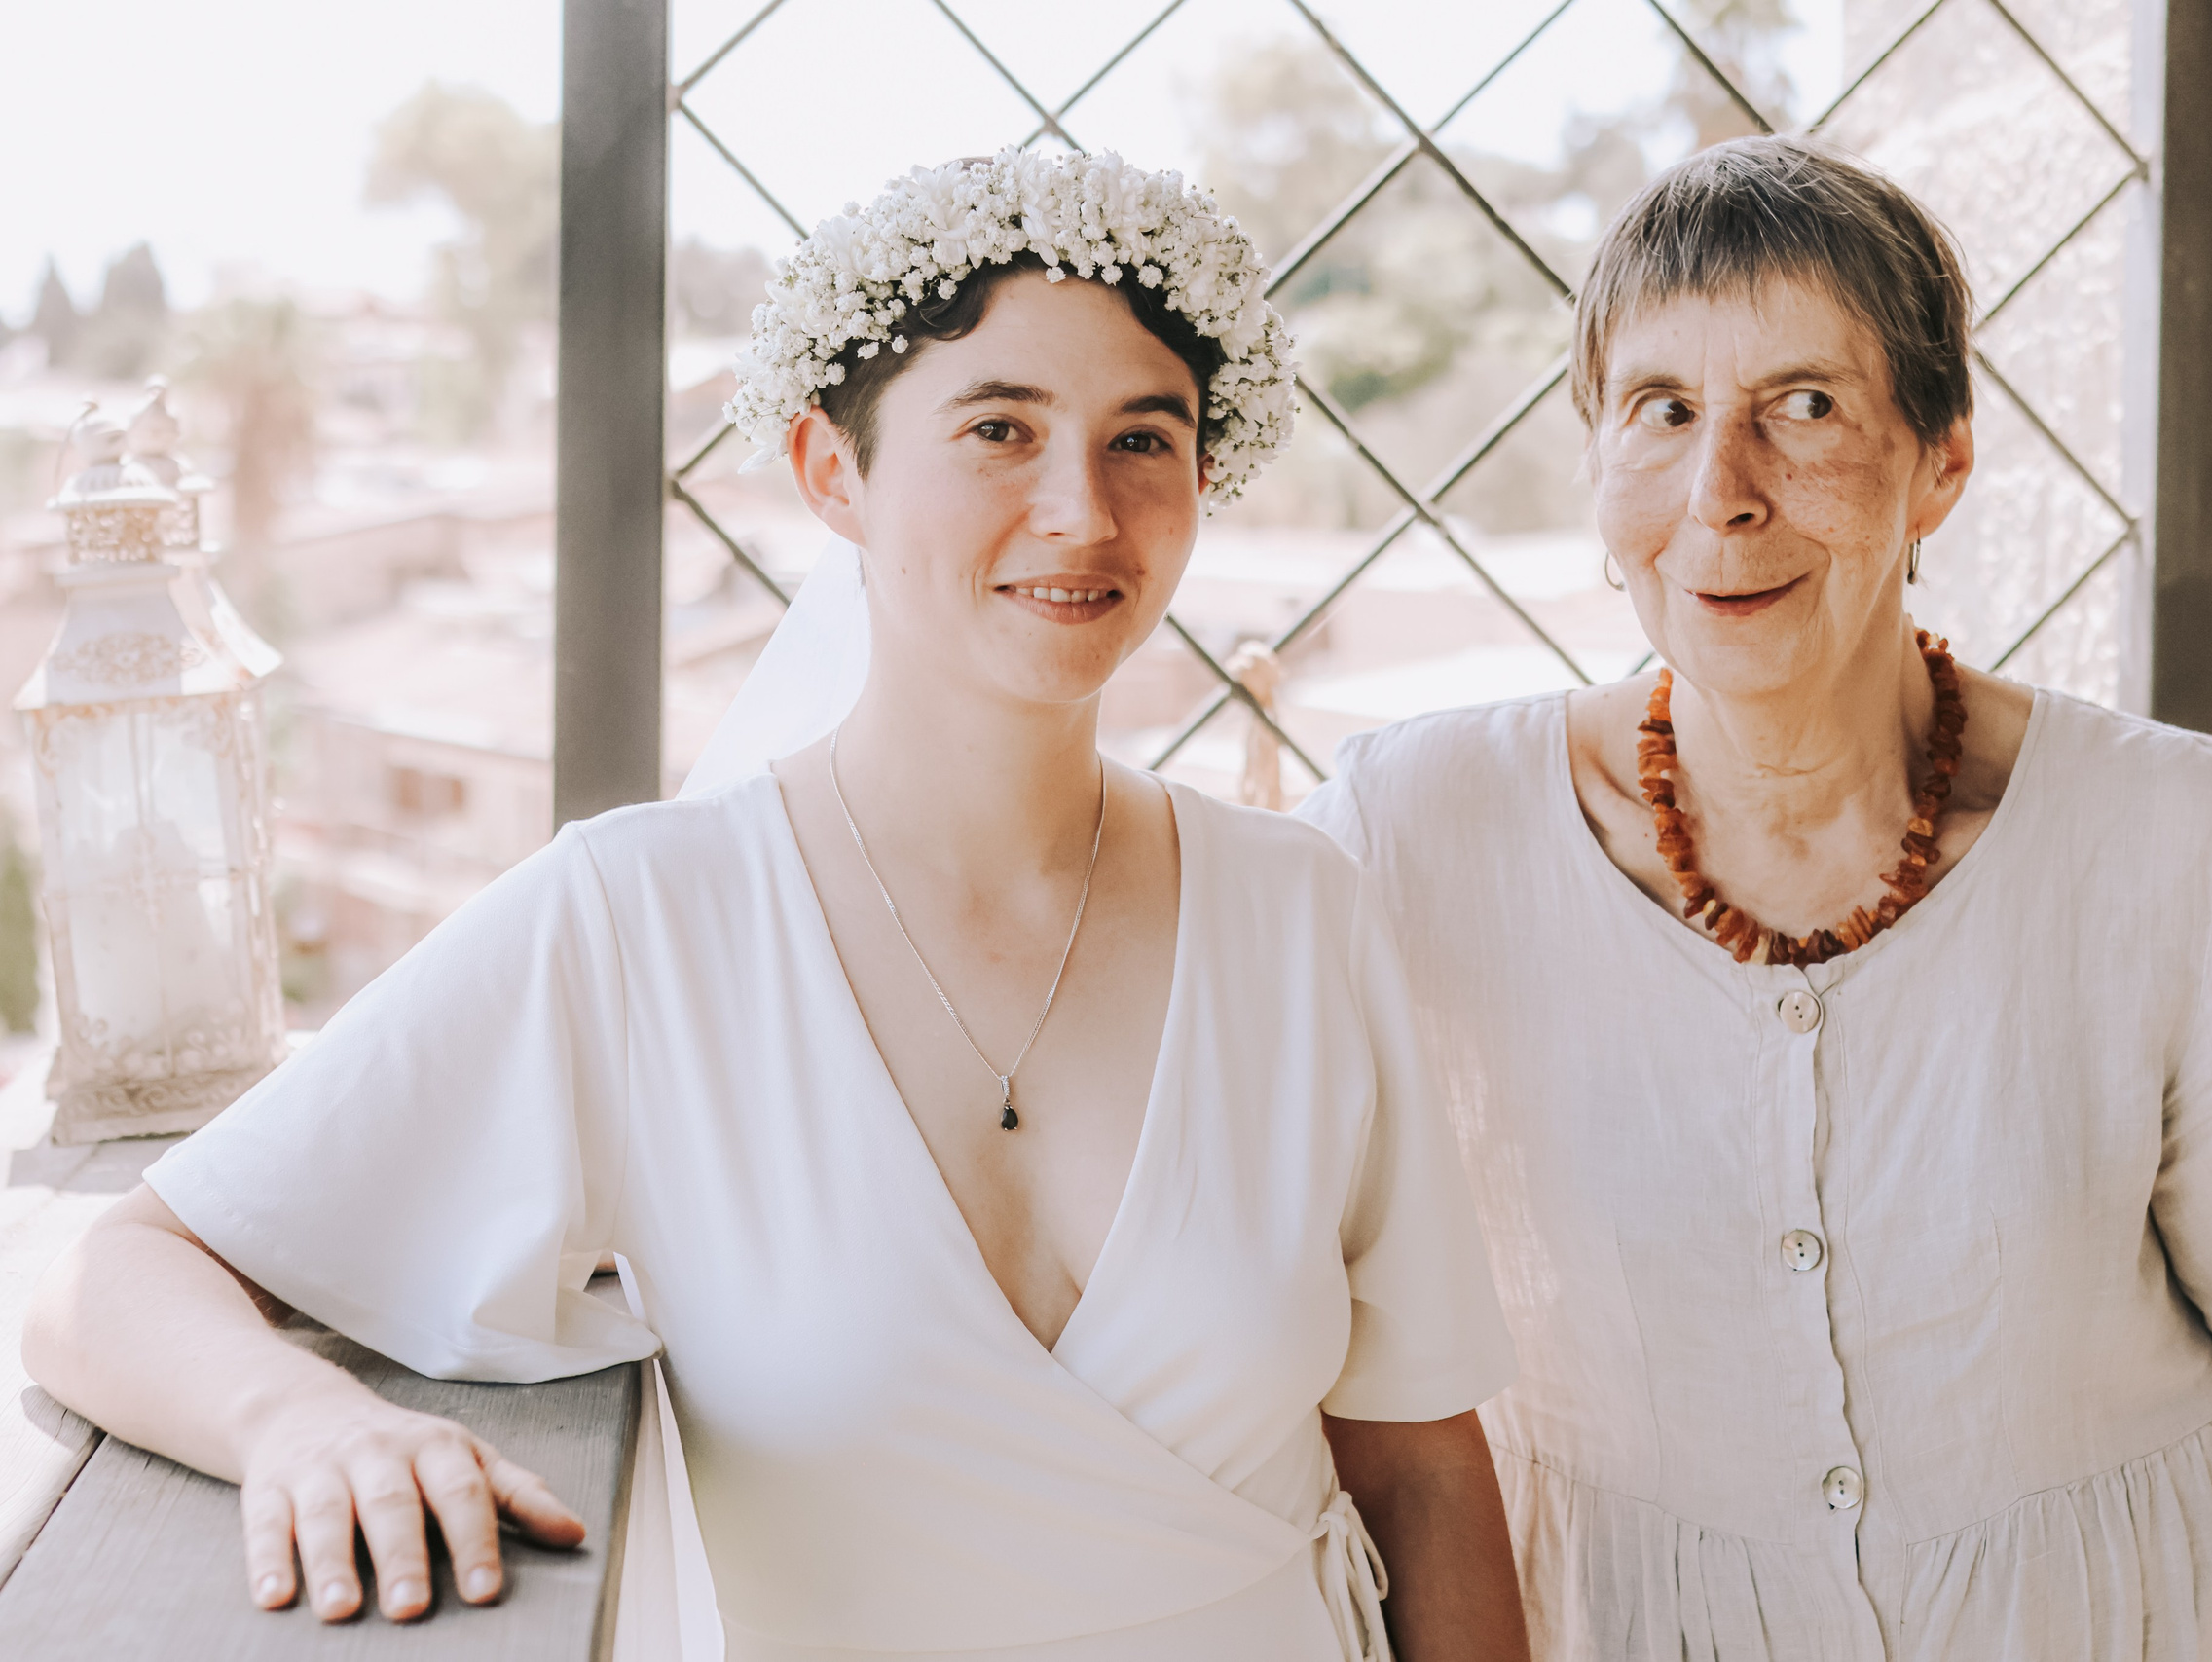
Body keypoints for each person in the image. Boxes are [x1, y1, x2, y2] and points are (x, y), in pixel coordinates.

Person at [26, 149, 1530, 1662]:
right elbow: (110, 1278)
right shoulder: (636, 924)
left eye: (1146, 436)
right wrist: (300, 1423)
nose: (1084, 512)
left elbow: (1420, 1469)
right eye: (999, 428)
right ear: (832, 473)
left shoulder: (1298, 913)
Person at [1298, 135, 2212, 1662]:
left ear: (1942, 459)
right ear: (1596, 459)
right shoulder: (1410, 833)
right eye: (1662, 410)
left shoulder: (2175, 830)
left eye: (1805, 408)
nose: (1722, 493)